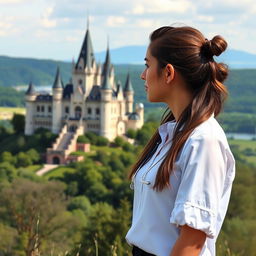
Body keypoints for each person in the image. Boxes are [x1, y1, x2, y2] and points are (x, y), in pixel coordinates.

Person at [125, 25, 236, 256]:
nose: (142, 75)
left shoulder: (204, 141)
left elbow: (192, 242)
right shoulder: (173, 135)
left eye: (148, 65)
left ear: (168, 73)